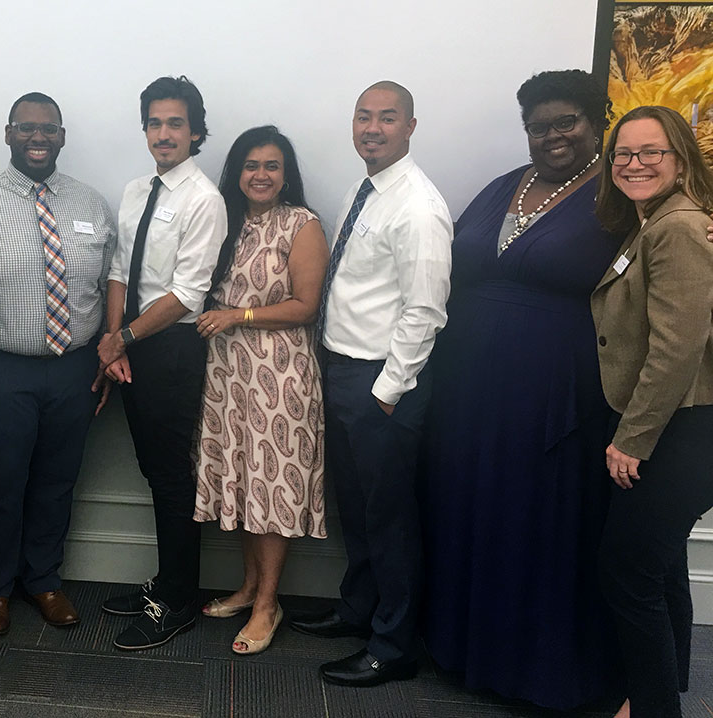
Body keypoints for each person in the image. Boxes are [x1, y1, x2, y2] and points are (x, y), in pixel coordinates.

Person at [420, 69, 621, 709]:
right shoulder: (505, 186)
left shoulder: (617, 196)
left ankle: (535, 671)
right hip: (469, 389)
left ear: (597, 121)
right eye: (539, 126)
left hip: (554, 394)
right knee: (473, 508)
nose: (552, 135)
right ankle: (464, 650)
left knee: (534, 521)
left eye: (567, 122)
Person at [289, 81, 452, 687]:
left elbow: (425, 311)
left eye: (387, 119)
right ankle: (360, 611)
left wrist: (387, 391)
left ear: (411, 126)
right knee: (355, 508)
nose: (372, 129)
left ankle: (393, 644)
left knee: (389, 518)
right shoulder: (369, 188)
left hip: (383, 384)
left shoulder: (417, 206)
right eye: (363, 117)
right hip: (345, 370)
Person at [0, 92, 116, 637]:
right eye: (26, 128)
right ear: (8, 134)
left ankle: (43, 580)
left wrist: (108, 352)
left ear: (62, 137)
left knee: (56, 480)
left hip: (73, 369)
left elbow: (106, 284)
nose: (38, 137)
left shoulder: (91, 205)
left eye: (48, 129)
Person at [98, 75, 228, 650]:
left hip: (172, 347)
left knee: (173, 476)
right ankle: (167, 581)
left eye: (176, 123)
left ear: (196, 131)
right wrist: (114, 339)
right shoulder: (135, 191)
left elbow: (189, 293)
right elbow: (121, 271)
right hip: (130, 344)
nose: (164, 133)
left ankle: (178, 599)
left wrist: (121, 336)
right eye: (155, 122)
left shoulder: (205, 199)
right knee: (153, 468)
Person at [593, 105, 713, 718]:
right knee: (659, 570)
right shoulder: (652, 222)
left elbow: (677, 349)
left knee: (629, 578)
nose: (634, 164)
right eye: (623, 154)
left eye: (650, 153)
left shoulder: (678, 228)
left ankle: (655, 706)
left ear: (679, 156)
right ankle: (655, 697)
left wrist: (632, 439)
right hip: (671, 427)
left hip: (678, 431)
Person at [192, 125, 329, 655]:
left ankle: (269, 604)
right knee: (247, 482)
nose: (261, 175)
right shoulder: (226, 222)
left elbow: (305, 305)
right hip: (229, 374)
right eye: (252, 165)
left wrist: (238, 315)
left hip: (279, 377)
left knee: (274, 489)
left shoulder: (302, 224)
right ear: (237, 172)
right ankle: (249, 587)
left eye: (272, 166)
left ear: (286, 174)